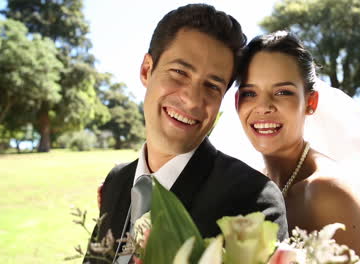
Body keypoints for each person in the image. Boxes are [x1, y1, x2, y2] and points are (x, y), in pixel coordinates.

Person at [83, 4, 288, 264]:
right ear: (147, 70)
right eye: (180, 72)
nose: (192, 100)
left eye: (212, 86)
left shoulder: (253, 200)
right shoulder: (116, 181)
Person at [211, 31, 360, 263]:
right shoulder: (251, 187)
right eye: (250, 93)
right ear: (237, 103)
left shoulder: (328, 193)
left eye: (282, 92)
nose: (263, 107)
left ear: (310, 102)